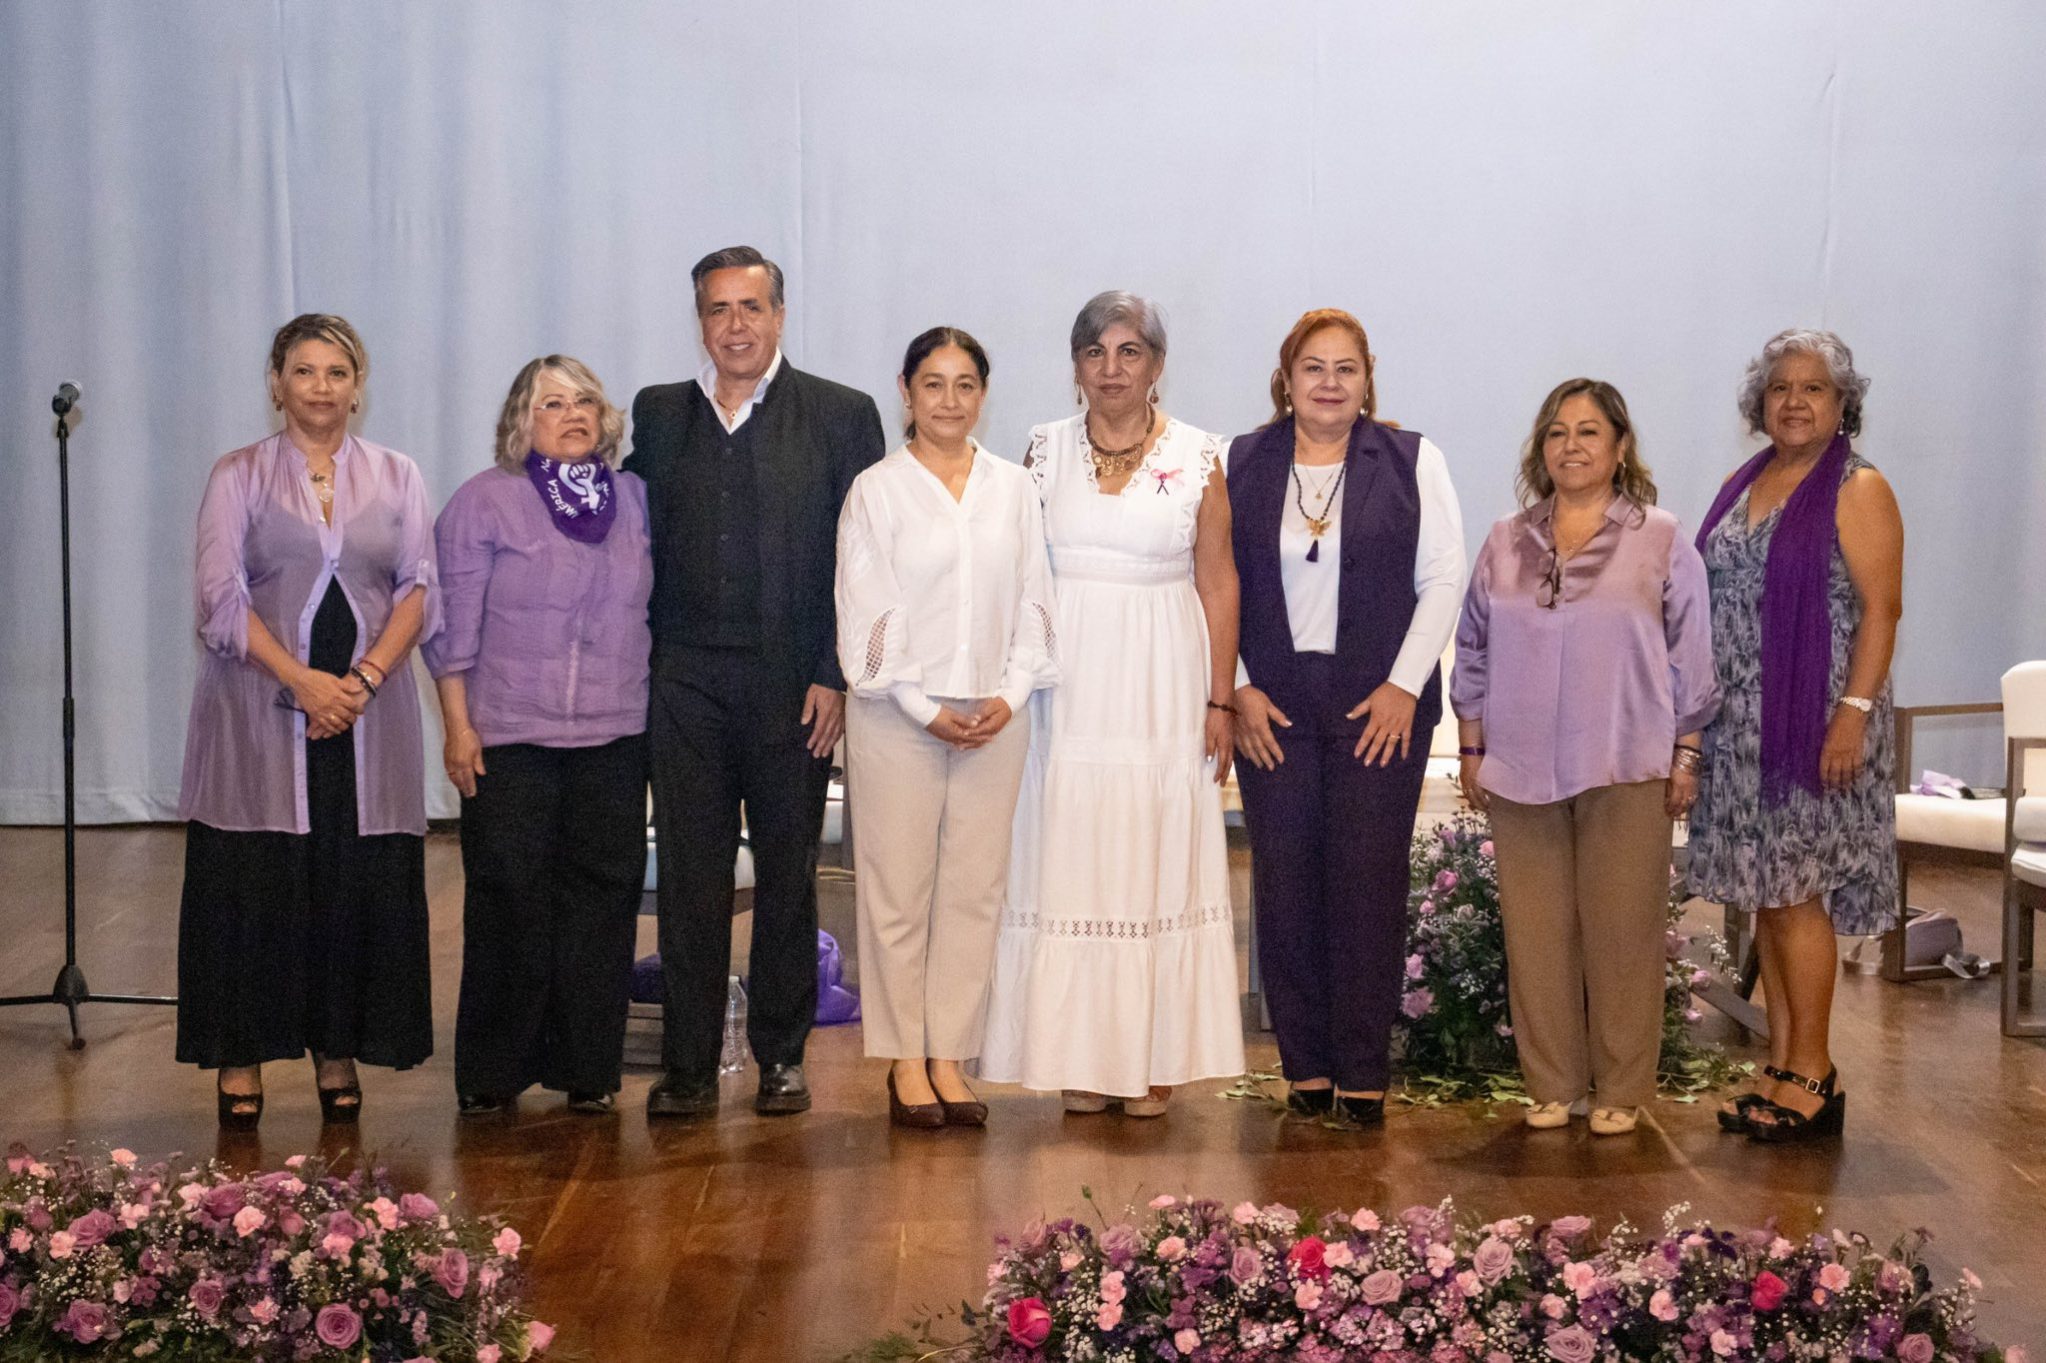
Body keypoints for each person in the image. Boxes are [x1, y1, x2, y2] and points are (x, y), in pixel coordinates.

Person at [626, 246, 885, 1120]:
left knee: (787, 873)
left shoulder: (842, 415)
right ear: (698, 319)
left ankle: (781, 1054)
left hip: (794, 688)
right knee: (692, 877)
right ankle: (690, 1064)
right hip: (687, 684)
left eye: (750, 308)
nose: (734, 326)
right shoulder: (659, 416)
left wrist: (834, 675)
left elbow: (862, 561)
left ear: (780, 315)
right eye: (717, 309)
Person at [979, 291, 1244, 1117]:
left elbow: (1219, 580)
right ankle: (1080, 1059)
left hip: (1164, 683)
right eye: (1096, 352)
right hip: (1070, 688)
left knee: (1151, 856)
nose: (1112, 368)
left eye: (1130, 352)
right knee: (1070, 859)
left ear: (1157, 365)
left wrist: (1221, 698)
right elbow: (1018, 571)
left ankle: (1154, 1060)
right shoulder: (1040, 450)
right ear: (1076, 366)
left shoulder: (1201, 455)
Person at [176, 313, 439, 1129]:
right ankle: (240, 1054)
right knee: (250, 886)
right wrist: (304, 683)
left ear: (358, 387)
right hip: (258, 717)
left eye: (336, 372)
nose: (320, 386)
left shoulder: (398, 475)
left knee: (347, 884)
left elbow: (419, 589)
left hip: (367, 719)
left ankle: (338, 1047)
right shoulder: (238, 474)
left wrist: (357, 682)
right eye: (303, 370)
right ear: (276, 383)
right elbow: (221, 600)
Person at [1453, 378, 1718, 1135]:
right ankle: (1551, 1083)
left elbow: (1689, 657)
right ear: (1541, 448)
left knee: (1623, 932)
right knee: (1535, 935)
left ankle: (1622, 1089)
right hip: (1519, 765)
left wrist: (1686, 754)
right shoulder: (1506, 539)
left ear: (1620, 446)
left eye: (1589, 432)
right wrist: (1471, 741)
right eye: (1557, 432)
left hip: (1625, 759)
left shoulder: (1662, 536)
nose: (1571, 445)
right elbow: (1472, 642)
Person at [1230, 308, 1466, 1126]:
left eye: (1346, 369)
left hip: (1380, 703)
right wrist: (1235, 686)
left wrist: (1406, 684)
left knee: (1367, 883)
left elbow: (1443, 578)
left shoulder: (1410, 460)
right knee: (1286, 879)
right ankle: (1307, 1067)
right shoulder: (1243, 462)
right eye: (1313, 368)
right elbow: (1212, 583)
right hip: (1272, 701)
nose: (1329, 383)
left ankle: (1363, 1070)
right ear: (1286, 379)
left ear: (1368, 380)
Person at [835, 328, 1058, 1129]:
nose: (950, 401)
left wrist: (1013, 689)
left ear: (984, 394)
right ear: (905, 390)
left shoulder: (1012, 489)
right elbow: (869, 607)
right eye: (934, 384)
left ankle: (950, 1057)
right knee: (899, 891)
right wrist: (925, 708)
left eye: (966, 385)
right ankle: (903, 1058)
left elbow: (1036, 598)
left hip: (996, 716)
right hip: (900, 717)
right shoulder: (876, 490)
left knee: (973, 890)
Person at [1687, 329, 1903, 1144]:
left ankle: (1814, 1072)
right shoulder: (1749, 482)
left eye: (1814, 387)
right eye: (1781, 387)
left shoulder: (1859, 486)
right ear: (1760, 402)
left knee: (1798, 892)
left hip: (1817, 726)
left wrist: (1851, 711)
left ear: (1843, 402)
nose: (1795, 400)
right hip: (1742, 724)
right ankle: (1780, 1065)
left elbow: (1881, 612)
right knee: (1770, 899)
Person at [425, 356, 652, 1117]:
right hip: (509, 736)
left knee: (602, 903)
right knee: (508, 900)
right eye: (553, 402)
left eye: (585, 398)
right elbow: (449, 631)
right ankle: (494, 1071)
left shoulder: (635, 501)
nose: (574, 412)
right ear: (523, 421)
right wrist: (458, 728)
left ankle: (587, 1066)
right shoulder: (484, 504)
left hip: (614, 733)